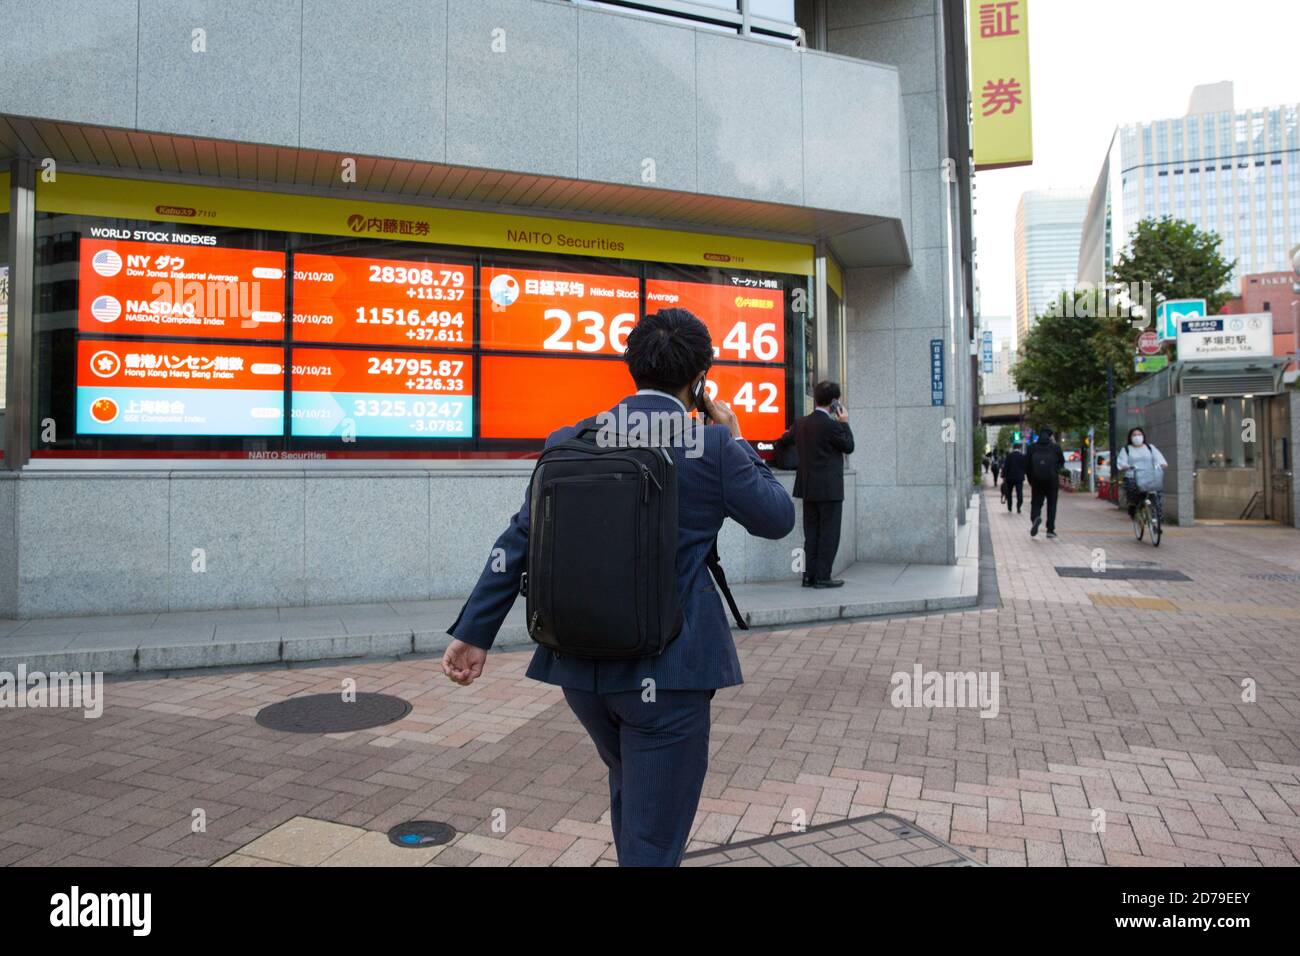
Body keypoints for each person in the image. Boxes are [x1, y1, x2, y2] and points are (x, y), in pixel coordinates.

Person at [442, 308, 795, 867]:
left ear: (632, 369)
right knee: (655, 836)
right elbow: (777, 518)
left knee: (633, 787)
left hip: (581, 671)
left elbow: (518, 537)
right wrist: (737, 436)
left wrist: (474, 632)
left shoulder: (571, 439)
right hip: (671, 672)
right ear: (700, 377)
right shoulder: (714, 447)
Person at [777, 381, 854, 588]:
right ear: (834, 401)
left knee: (810, 534)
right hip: (829, 490)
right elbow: (849, 446)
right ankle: (822, 577)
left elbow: (782, 441)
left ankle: (808, 576)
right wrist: (844, 422)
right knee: (829, 533)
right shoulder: (833, 426)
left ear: (816, 398)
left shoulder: (801, 423)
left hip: (808, 488)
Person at [1117, 427, 1168, 522]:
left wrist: (1162, 464)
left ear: (1143, 436)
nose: (1137, 437)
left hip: (1149, 476)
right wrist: (1127, 466)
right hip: (1133, 476)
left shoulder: (1150, 448)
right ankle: (1134, 508)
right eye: (1134, 435)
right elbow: (1121, 463)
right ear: (1130, 437)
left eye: (1139, 434)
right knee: (1134, 493)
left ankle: (1158, 517)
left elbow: (1160, 460)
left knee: (1157, 494)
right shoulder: (1126, 449)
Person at [1027, 428, 1065, 538]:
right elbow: (1062, 462)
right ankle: (1050, 530)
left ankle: (1035, 518)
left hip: (1036, 481)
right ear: (1050, 436)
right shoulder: (1055, 447)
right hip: (1052, 481)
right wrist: (1055, 470)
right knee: (1052, 505)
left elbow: (1027, 466)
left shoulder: (1032, 448)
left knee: (1036, 503)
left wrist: (1031, 480)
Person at [1001, 443, 1026, 513]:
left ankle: (1009, 507)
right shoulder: (1022, 456)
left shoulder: (1009, 456)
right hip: (1019, 478)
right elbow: (1025, 467)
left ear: (1013, 448)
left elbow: (1006, 467)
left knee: (1009, 492)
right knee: (1019, 493)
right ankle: (1018, 507)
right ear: (1019, 448)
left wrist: (1003, 476)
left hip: (1010, 477)